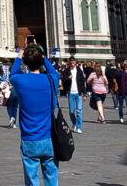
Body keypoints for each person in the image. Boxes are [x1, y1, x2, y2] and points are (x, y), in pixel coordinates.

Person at [9, 43, 60, 186]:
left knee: (32, 181)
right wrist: (42, 56)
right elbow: (53, 71)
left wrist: (20, 56)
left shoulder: (20, 80)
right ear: (41, 61)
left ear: (25, 62)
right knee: (52, 179)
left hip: (30, 138)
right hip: (49, 138)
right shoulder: (52, 80)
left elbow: (12, 74)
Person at [61, 56, 87, 134]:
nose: (73, 63)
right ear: (69, 63)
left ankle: (79, 127)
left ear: (75, 62)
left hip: (78, 93)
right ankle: (74, 123)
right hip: (71, 93)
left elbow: (83, 82)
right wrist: (68, 78)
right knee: (71, 111)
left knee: (79, 111)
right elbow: (63, 80)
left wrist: (84, 93)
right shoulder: (66, 71)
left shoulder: (79, 70)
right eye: (71, 62)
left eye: (74, 62)